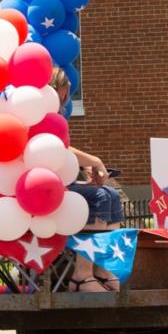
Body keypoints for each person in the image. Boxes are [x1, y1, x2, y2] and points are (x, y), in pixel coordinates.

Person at [48, 68, 125, 291]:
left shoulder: (56, 116)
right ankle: (81, 275)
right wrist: (94, 160)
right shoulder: (43, 115)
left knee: (111, 194)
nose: (67, 96)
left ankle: (101, 267)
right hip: (40, 190)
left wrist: (87, 165)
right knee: (98, 196)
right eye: (66, 91)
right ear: (58, 89)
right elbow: (58, 148)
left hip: (58, 182)